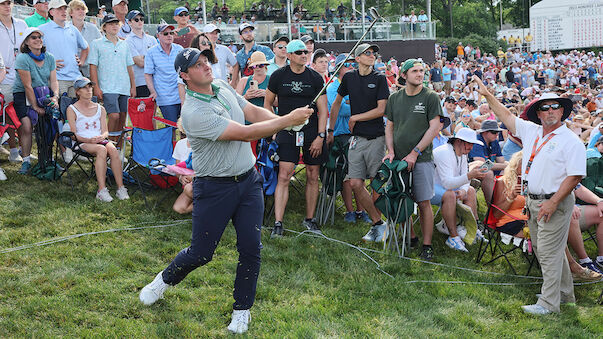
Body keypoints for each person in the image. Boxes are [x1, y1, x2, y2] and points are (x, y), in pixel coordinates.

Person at [138, 47, 313, 334]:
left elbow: (252, 112)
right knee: (201, 253)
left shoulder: (220, 86)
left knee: (250, 250)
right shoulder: (194, 112)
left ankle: (241, 310)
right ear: (184, 75)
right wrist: (286, 122)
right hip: (214, 187)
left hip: (247, 182)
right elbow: (243, 132)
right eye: (198, 64)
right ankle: (163, 281)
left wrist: (282, 119)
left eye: (206, 60)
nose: (206, 66)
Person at [474, 75, 586, 315]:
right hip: (533, 201)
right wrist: (487, 95)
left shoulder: (570, 141)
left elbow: (575, 176)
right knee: (549, 250)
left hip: (553, 202)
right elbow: (506, 116)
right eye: (544, 108)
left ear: (563, 111)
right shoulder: (534, 131)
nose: (549, 111)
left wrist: (553, 202)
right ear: (538, 114)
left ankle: (548, 304)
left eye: (554, 107)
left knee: (547, 252)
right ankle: (564, 295)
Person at [264, 39, 328, 237]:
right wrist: (274, 127)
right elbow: (267, 104)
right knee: (284, 175)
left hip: (311, 132)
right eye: (299, 52)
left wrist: (320, 136)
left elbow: (323, 110)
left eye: (305, 52)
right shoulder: (277, 76)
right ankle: (278, 223)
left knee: (312, 174)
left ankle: (310, 219)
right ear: (289, 56)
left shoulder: (316, 78)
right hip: (287, 129)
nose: (304, 55)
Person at [383, 59, 445, 261]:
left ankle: (427, 246)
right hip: (399, 158)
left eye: (422, 71)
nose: (420, 74)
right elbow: (390, 126)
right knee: (401, 197)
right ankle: (410, 236)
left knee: (424, 201)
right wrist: (390, 150)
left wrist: (415, 152)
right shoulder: (394, 98)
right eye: (415, 71)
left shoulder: (430, 97)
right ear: (404, 75)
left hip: (422, 158)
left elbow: (434, 127)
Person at [328, 43, 390, 242]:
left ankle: (378, 224)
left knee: (376, 184)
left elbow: (382, 110)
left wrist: (356, 118)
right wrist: (330, 129)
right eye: (368, 53)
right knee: (355, 182)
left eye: (374, 53)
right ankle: (378, 223)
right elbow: (336, 102)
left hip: (376, 138)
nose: (372, 55)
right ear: (357, 58)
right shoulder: (349, 78)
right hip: (356, 139)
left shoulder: (380, 78)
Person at [66, 78, 129, 202]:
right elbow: (73, 135)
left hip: (98, 140)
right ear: (78, 92)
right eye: (85, 87)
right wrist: (90, 140)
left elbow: (105, 131)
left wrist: (102, 137)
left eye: (90, 87)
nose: (89, 90)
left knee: (113, 150)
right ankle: (101, 190)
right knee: (101, 150)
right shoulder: (71, 109)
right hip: (82, 142)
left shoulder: (100, 108)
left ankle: (121, 188)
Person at [325, 54, 370, 223]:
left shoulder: (357, 84)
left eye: (353, 64)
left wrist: (350, 104)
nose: (351, 67)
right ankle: (350, 211)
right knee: (347, 175)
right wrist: (355, 106)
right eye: (346, 65)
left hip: (357, 134)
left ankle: (361, 210)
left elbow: (364, 105)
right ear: (338, 68)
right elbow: (342, 110)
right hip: (339, 136)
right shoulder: (331, 88)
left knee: (359, 174)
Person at [12, 27, 58, 175]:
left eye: (40, 37)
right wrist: (35, 106)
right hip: (24, 93)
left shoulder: (49, 57)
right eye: (33, 37)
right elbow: (27, 85)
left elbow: (54, 81)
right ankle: (25, 161)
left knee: (50, 126)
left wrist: (55, 97)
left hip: (44, 92)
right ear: (26, 42)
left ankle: (47, 160)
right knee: (26, 126)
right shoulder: (23, 58)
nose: (38, 40)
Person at [433, 128, 487, 252]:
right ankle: (453, 237)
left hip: (448, 187)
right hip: (431, 188)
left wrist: (463, 190)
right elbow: (447, 183)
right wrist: (469, 176)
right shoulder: (444, 152)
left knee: (471, 191)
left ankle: (472, 229)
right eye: (468, 143)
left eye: (472, 144)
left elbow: (464, 179)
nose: (470, 147)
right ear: (458, 141)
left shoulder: (463, 153)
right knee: (450, 195)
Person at [88, 14, 135, 142]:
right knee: (114, 116)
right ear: (104, 27)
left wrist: (133, 86)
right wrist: (95, 87)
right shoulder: (96, 44)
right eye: (110, 24)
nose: (114, 26)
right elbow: (93, 67)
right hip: (107, 87)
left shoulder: (124, 44)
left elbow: (129, 66)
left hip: (124, 87)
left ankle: (118, 147)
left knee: (122, 117)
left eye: (116, 23)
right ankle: (107, 143)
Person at [39, 0, 89, 98]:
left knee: (77, 110)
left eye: (65, 8)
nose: (63, 11)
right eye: (59, 9)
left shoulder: (72, 29)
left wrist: (82, 61)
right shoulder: (42, 29)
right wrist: (47, 63)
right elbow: (33, 51)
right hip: (57, 78)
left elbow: (86, 47)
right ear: (51, 12)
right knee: (62, 109)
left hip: (76, 77)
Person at [0, 0, 28, 164]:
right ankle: (13, 150)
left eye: (9, 3)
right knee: (8, 116)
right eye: (2, 3)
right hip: (4, 78)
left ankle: (24, 150)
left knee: (24, 115)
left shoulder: (22, 24)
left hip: (23, 76)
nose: (6, 6)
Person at [144, 24, 184, 124]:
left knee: (185, 127)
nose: (169, 36)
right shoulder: (151, 52)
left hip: (182, 96)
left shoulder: (180, 49)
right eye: (165, 34)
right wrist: (153, 92)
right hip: (164, 97)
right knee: (171, 127)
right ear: (158, 36)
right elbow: (148, 74)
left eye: (171, 33)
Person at [468, 120, 508, 203]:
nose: (497, 134)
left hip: (485, 169)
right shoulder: (477, 142)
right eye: (494, 132)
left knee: (507, 170)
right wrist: (506, 165)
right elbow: (482, 166)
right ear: (484, 132)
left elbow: (502, 161)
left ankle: (502, 199)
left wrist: (507, 166)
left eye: (498, 132)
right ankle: (492, 205)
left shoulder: (494, 142)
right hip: (470, 171)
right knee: (488, 173)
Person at [125, 10, 156, 98]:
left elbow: (158, 59)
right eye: (136, 20)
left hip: (155, 81)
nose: (140, 21)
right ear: (129, 22)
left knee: (154, 110)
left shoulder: (152, 39)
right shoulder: (128, 41)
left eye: (141, 19)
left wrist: (144, 57)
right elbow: (140, 63)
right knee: (143, 110)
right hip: (140, 82)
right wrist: (150, 57)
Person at [233, 23, 274, 88]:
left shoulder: (265, 50)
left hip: (265, 86)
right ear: (240, 36)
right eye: (245, 32)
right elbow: (237, 74)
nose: (249, 34)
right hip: (247, 87)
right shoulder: (239, 55)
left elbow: (274, 67)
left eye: (250, 31)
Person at [68, 0, 101, 78]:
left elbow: (102, 48)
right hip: (71, 72)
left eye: (83, 9)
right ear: (71, 13)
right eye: (77, 9)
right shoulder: (64, 29)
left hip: (91, 72)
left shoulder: (93, 28)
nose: (81, 11)